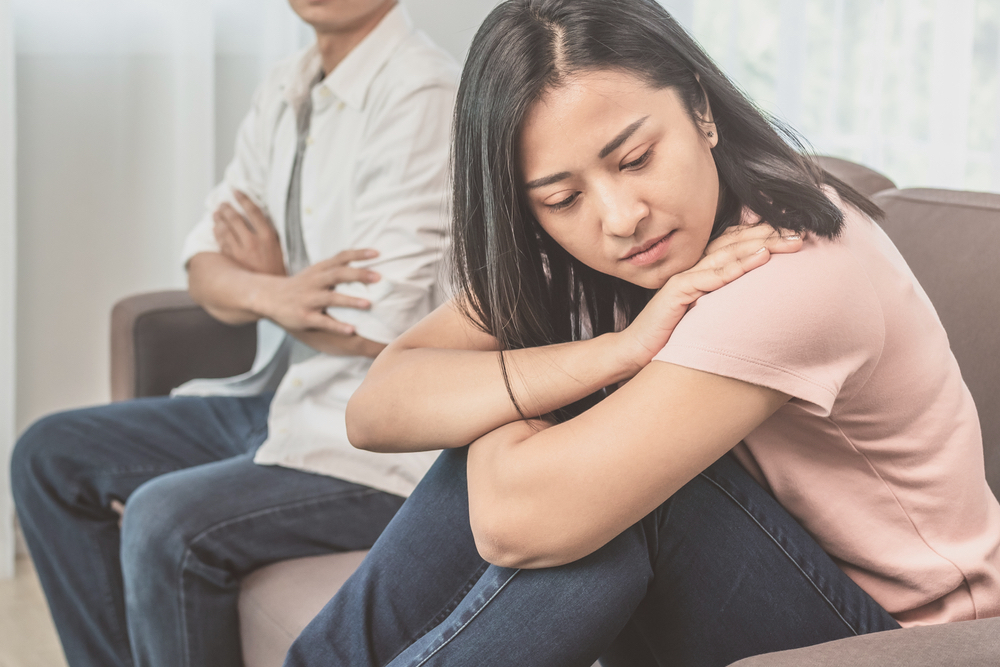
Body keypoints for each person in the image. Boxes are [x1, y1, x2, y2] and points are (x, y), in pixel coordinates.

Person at [280, 1, 1000, 666]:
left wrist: (523, 393)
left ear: (701, 108)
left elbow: (515, 521)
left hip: (902, 641)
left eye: (636, 158)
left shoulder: (791, 263)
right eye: (562, 197)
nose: (621, 216)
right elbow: (374, 408)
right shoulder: (575, 255)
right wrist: (612, 351)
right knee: (564, 421)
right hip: (765, 586)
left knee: (618, 492)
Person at [10, 1, 457, 666]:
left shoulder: (427, 94)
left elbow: (372, 324)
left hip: (372, 437)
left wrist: (262, 286)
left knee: (165, 520)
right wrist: (279, 290)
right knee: (47, 456)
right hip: (282, 398)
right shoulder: (286, 85)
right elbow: (203, 266)